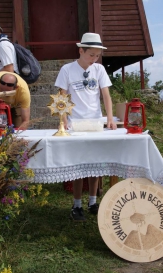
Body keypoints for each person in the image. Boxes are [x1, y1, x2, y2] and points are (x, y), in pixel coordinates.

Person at [55, 32, 117, 222]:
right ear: (81, 50)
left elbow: (105, 95)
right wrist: (63, 118)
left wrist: (109, 118)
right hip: (75, 124)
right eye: (91, 55)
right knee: (79, 166)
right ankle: (76, 205)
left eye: (97, 55)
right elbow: (62, 96)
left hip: (96, 123)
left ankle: (92, 202)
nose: (94, 59)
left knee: (95, 165)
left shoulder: (99, 70)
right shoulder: (67, 69)